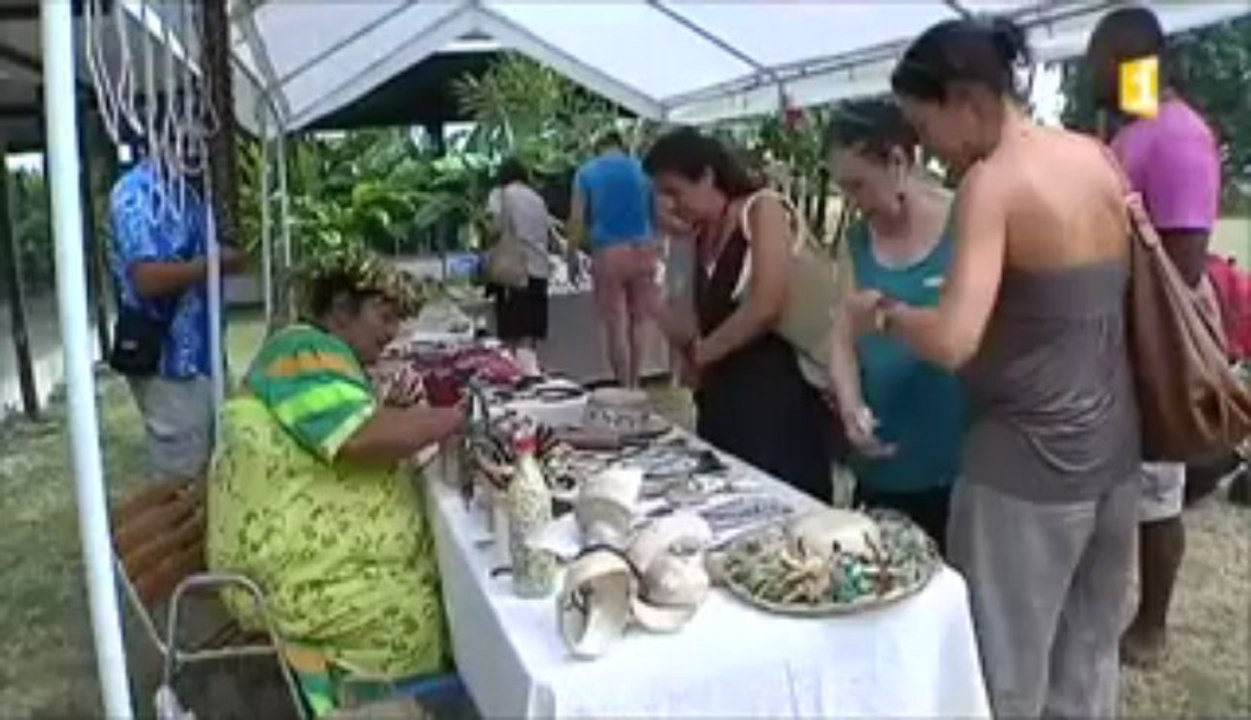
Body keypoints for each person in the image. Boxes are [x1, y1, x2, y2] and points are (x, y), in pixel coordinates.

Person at [857, 17, 1140, 717]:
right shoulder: (1092, 155)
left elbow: (954, 339)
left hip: (1024, 471)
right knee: (1086, 662)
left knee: (1001, 673)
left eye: (924, 128)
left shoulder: (993, 183)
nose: (927, 150)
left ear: (965, 100)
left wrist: (888, 314)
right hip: (1111, 455)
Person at [207, 252, 465, 713]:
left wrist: (395, 411)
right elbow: (358, 437)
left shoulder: (312, 354)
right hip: (289, 582)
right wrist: (458, 417)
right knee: (420, 607)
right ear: (342, 309)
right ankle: (379, 706)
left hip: (287, 565)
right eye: (384, 318)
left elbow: (347, 423)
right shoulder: (303, 350)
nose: (392, 334)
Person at [1087, 5, 1225, 668]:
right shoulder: (1132, 129)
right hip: (1122, 326)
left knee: (1155, 489)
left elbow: (1184, 261)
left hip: (1158, 332)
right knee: (1129, 479)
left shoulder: (1176, 137)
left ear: (1132, 64)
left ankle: (1152, 623)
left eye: (1097, 60)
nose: (1089, 71)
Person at [644, 127, 835, 502]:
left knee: (786, 504)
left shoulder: (762, 209)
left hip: (776, 401)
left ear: (708, 177)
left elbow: (766, 304)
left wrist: (705, 353)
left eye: (674, 191)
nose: (670, 203)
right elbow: (685, 327)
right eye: (661, 195)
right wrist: (669, 248)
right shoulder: (695, 238)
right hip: (721, 403)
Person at [825, 99, 964, 551]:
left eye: (859, 185)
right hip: (883, 464)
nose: (853, 201)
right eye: (844, 188)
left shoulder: (964, 222)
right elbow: (841, 335)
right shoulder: (857, 241)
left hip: (957, 462)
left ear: (899, 161)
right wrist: (850, 407)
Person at [109, 156, 247, 480]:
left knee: (214, 474)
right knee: (180, 487)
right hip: (169, 362)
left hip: (204, 358)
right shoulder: (138, 191)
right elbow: (145, 278)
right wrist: (212, 263)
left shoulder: (192, 191)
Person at [566, 130, 659, 387]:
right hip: (644, 247)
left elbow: (577, 219)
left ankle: (623, 385)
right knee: (640, 321)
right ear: (622, 145)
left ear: (599, 148)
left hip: (609, 251)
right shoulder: (644, 170)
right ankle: (637, 380)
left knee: (616, 323)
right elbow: (656, 213)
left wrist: (571, 253)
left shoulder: (586, 172)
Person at [486, 157, 555, 364]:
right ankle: (529, 379)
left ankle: (513, 379)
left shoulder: (500, 195)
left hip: (514, 273)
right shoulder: (537, 198)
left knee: (511, 336)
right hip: (539, 271)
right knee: (529, 336)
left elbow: (495, 229)